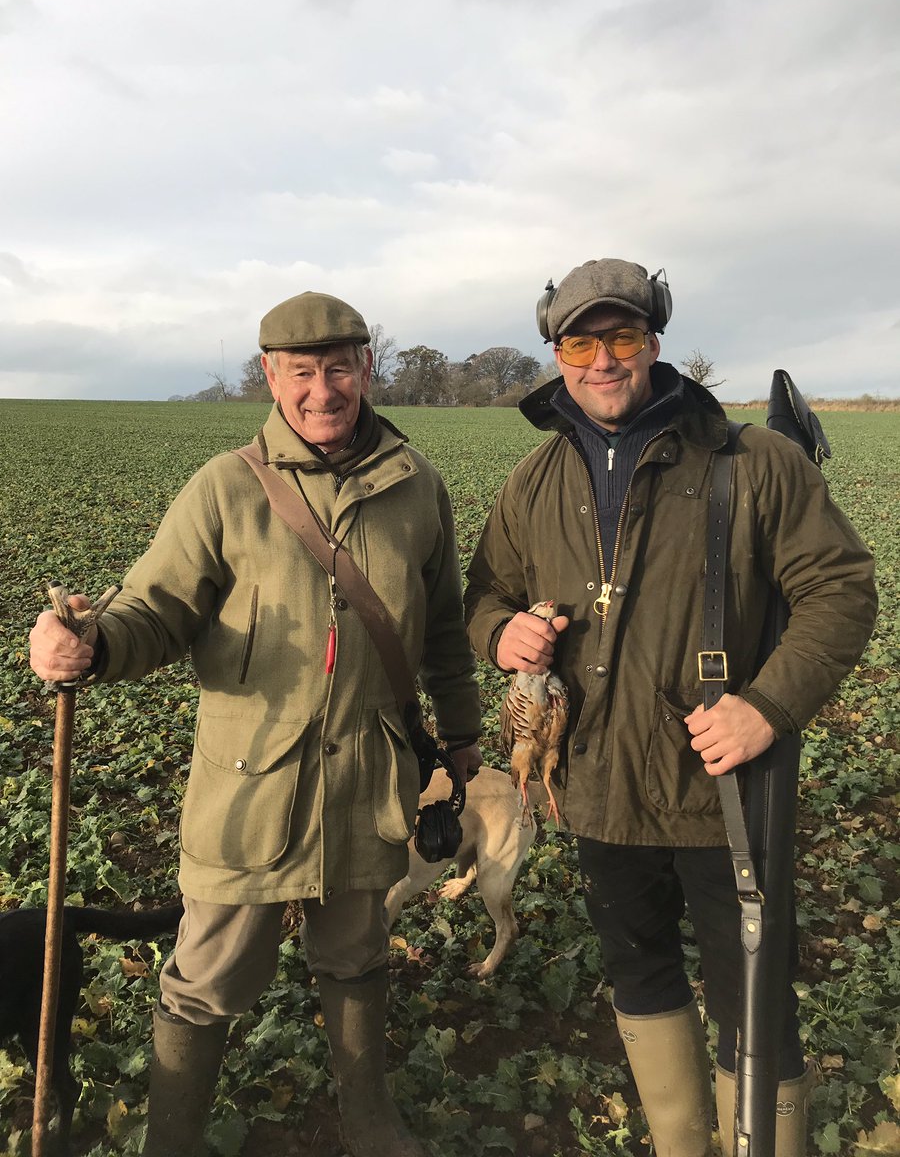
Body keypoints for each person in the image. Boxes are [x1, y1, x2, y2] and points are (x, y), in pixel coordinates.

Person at [29, 291, 483, 1157]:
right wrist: (89, 644)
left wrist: (461, 736)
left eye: (339, 368)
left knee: (357, 956)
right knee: (205, 981)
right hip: (249, 787)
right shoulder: (227, 488)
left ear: (367, 369)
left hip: (366, 782)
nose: (323, 390)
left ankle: (368, 1115)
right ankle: (174, 1137)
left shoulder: (416, 486)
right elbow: (153, 610)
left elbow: (447, 628)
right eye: (301, 372)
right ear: (270, 376)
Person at [464, 259, 877, 1156]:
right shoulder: (535, 481)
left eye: (623, 338)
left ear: (654, 344)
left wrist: (768, 705)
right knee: (638, 975)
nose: (602, 361)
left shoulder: (753, 462)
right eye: (580, 340)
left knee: (752, 998)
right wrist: (501, 634)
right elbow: (485, 592)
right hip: (599, 791)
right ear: (556, 351)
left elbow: (841, 591)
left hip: (723, 792)